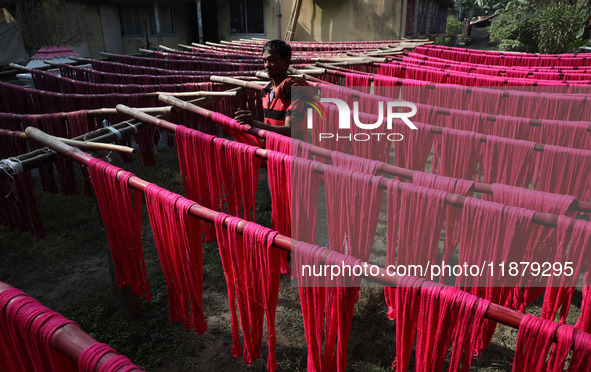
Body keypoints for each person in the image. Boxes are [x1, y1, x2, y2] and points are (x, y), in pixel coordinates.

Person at [234, 39, 309, 138]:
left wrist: (255, 124)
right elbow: (269, 125)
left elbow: (291, 131)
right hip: (273, 149)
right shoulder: (266, 91)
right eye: (264, 61)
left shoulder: (296, 90)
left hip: (292, 151)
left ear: (286, 61)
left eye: (272, 60)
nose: (267, 66)